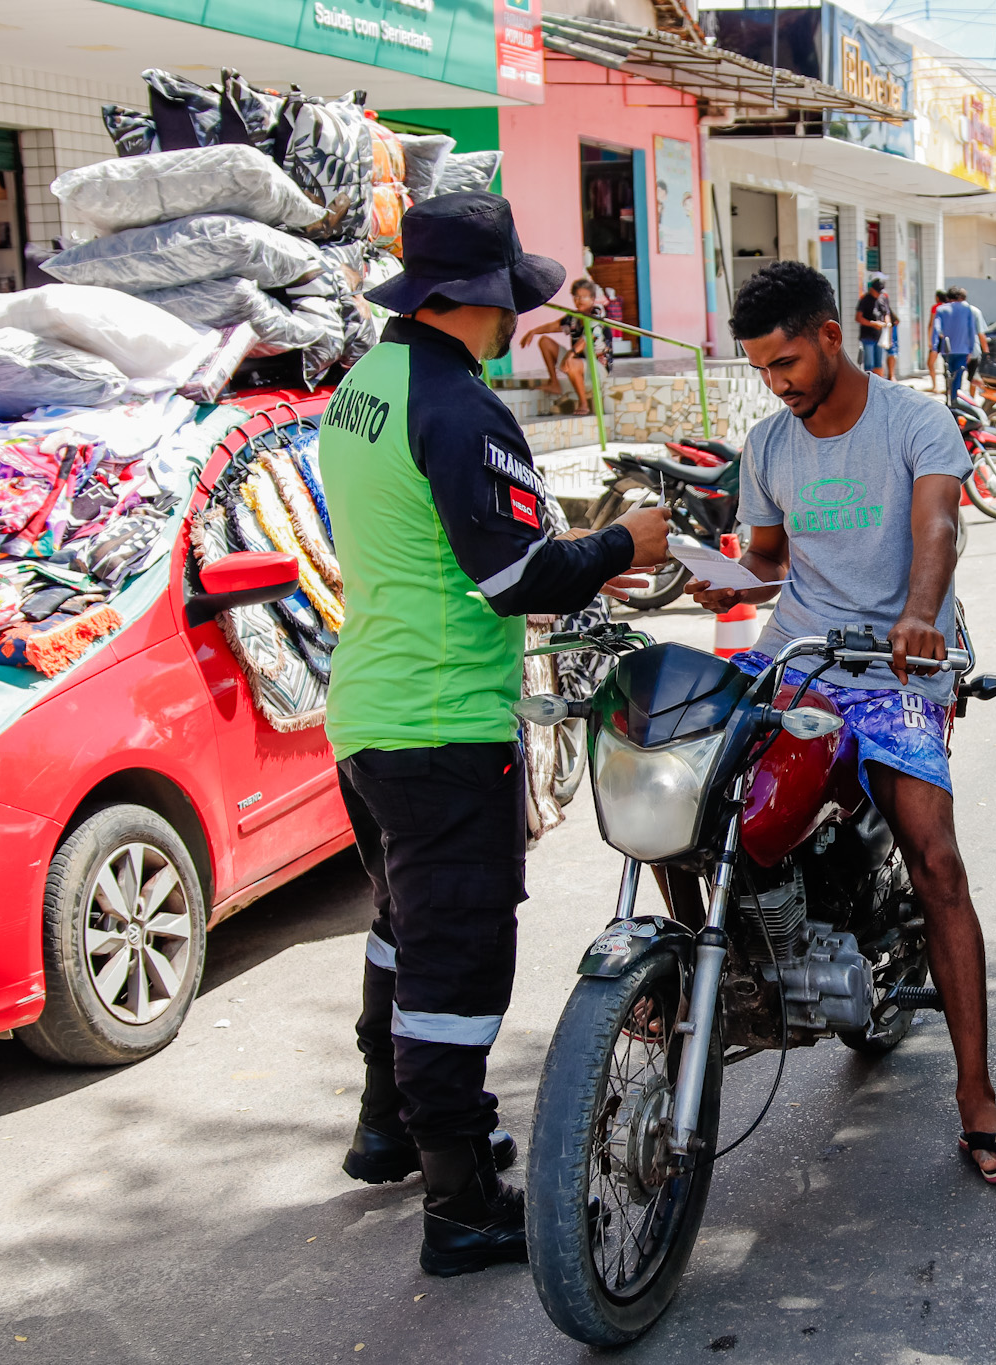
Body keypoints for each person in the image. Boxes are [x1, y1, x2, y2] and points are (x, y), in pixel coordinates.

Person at [321, 193, 672, 1276]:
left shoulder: (366, 386)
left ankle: (390, 1125)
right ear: (483, 300)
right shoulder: (462, 408)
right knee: (458, 963)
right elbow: (515, 577)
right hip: (443, 727)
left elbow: (440, 539)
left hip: (369, 712)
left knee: (402, 928)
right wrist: (625, 541)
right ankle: (462, 1201)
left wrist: (579, 557)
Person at [685, 260, 996, 1185]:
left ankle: (978, 1100)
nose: (777, 383)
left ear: (831, 336)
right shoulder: (768, 444)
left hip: (898, 666)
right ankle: (709, 974)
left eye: (788, 362)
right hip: (797, 655)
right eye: (762, 369)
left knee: (936, 856)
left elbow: (938, 530)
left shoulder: (914, 421)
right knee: (683, 787)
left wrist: (920, 614)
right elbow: (769, 559)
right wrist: (727, 581)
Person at [516, 277, 612, 414]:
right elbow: (555, 326)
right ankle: (554, 383)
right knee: (545, 342)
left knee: (571, 362)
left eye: (584, 297)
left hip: (598, 367)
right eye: (576, 296)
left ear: (592, 298)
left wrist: (570, 354)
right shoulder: (574, 317)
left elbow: (587, 338)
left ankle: (583, 404)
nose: (579, 300)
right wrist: (533, 332)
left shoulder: (597, 313)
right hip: (578, 362)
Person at [932, 286, 985, 405]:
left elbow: (936, 329)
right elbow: (971, 331)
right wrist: (971, 349)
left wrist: (935, 347)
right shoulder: (967, 309)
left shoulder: (941, 309)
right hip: (963, 350)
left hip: (946, 350)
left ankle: (950, 400)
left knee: (948, 376)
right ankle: (955, 402)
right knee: (958, 378)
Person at [855, 275, 895, 379]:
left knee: (879, 363)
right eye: (877, 291)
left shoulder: (883, 298)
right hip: (868, 336)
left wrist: (887, 324)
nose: (878, 294)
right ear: (872, 289)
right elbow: (858, 318)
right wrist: (873, 323)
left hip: (880, 336)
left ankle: (878, 382)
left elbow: (887, 313)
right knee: (869, 364)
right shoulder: (865, 300)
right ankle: (869, 383)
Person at [926, 287, 948, 392]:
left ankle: (935, 386)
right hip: (946, 339)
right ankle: (948, 387)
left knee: (930, 363)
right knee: (947, 364)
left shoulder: (935, 308)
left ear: (937, 297)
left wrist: (929, 340)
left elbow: (931, 324)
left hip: (936, 339)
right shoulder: (948, 308)